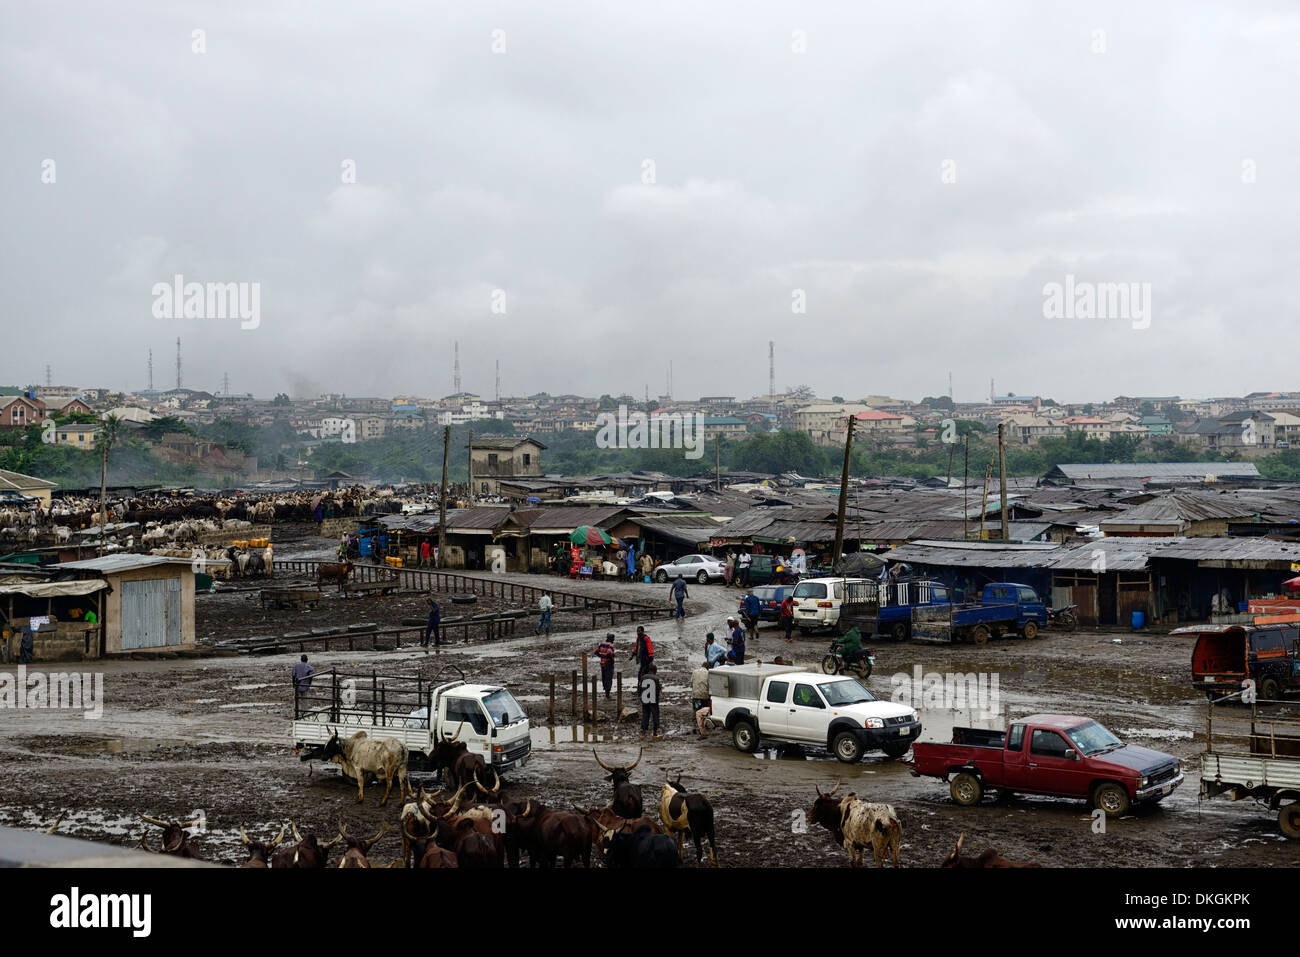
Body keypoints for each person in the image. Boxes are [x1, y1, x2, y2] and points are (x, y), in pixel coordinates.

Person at [639, 663, 662, 740]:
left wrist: (641, 697)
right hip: (653, 699)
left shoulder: (643, 677)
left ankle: (643, 733)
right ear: (654, 670)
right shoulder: (656, 678)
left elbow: (640, 688)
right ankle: (655, 733)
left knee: (645, 715)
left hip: (644, 698)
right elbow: (658, 690)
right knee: (655, 715)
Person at [691, 659, 714, 736]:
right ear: (708, 668)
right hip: (704, 696)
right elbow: (710, 686)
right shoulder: (708, 673)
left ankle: (695, 726)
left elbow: (692, 683)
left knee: (696, 711)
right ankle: (703, 727)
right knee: (704, 712)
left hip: (695, 695)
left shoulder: (694, 672)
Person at [596, 633, 617, 699]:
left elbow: (596, 652)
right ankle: (607, 695)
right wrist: (612, 659)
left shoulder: (602, 644)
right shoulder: (610, 645)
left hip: (602, 663)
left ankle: (606, 693)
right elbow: (608, 653)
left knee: (604, 678)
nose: (613, 640)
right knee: (608, 678)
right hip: (608, 664)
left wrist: (602, 656)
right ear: (611, 639)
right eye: (613, 639)